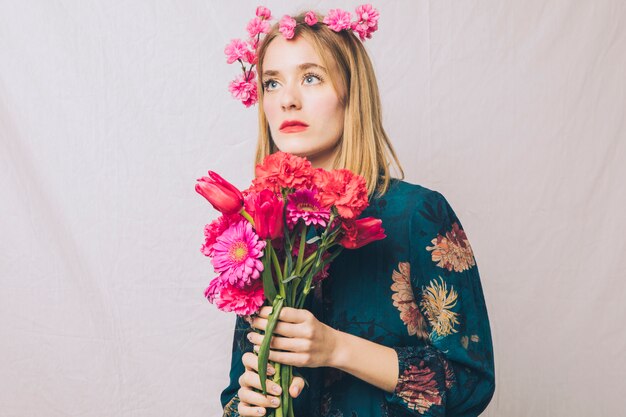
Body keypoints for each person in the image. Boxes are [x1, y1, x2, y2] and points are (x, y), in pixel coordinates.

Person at [219, 7, 495, 417]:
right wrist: (245, 403)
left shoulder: (417, 214)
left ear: (352, 93)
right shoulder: (266, 229)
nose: (288, 100)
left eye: (311, 77)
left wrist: (336, 348)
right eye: (272, 82)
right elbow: (233, 395)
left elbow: (471, 384)